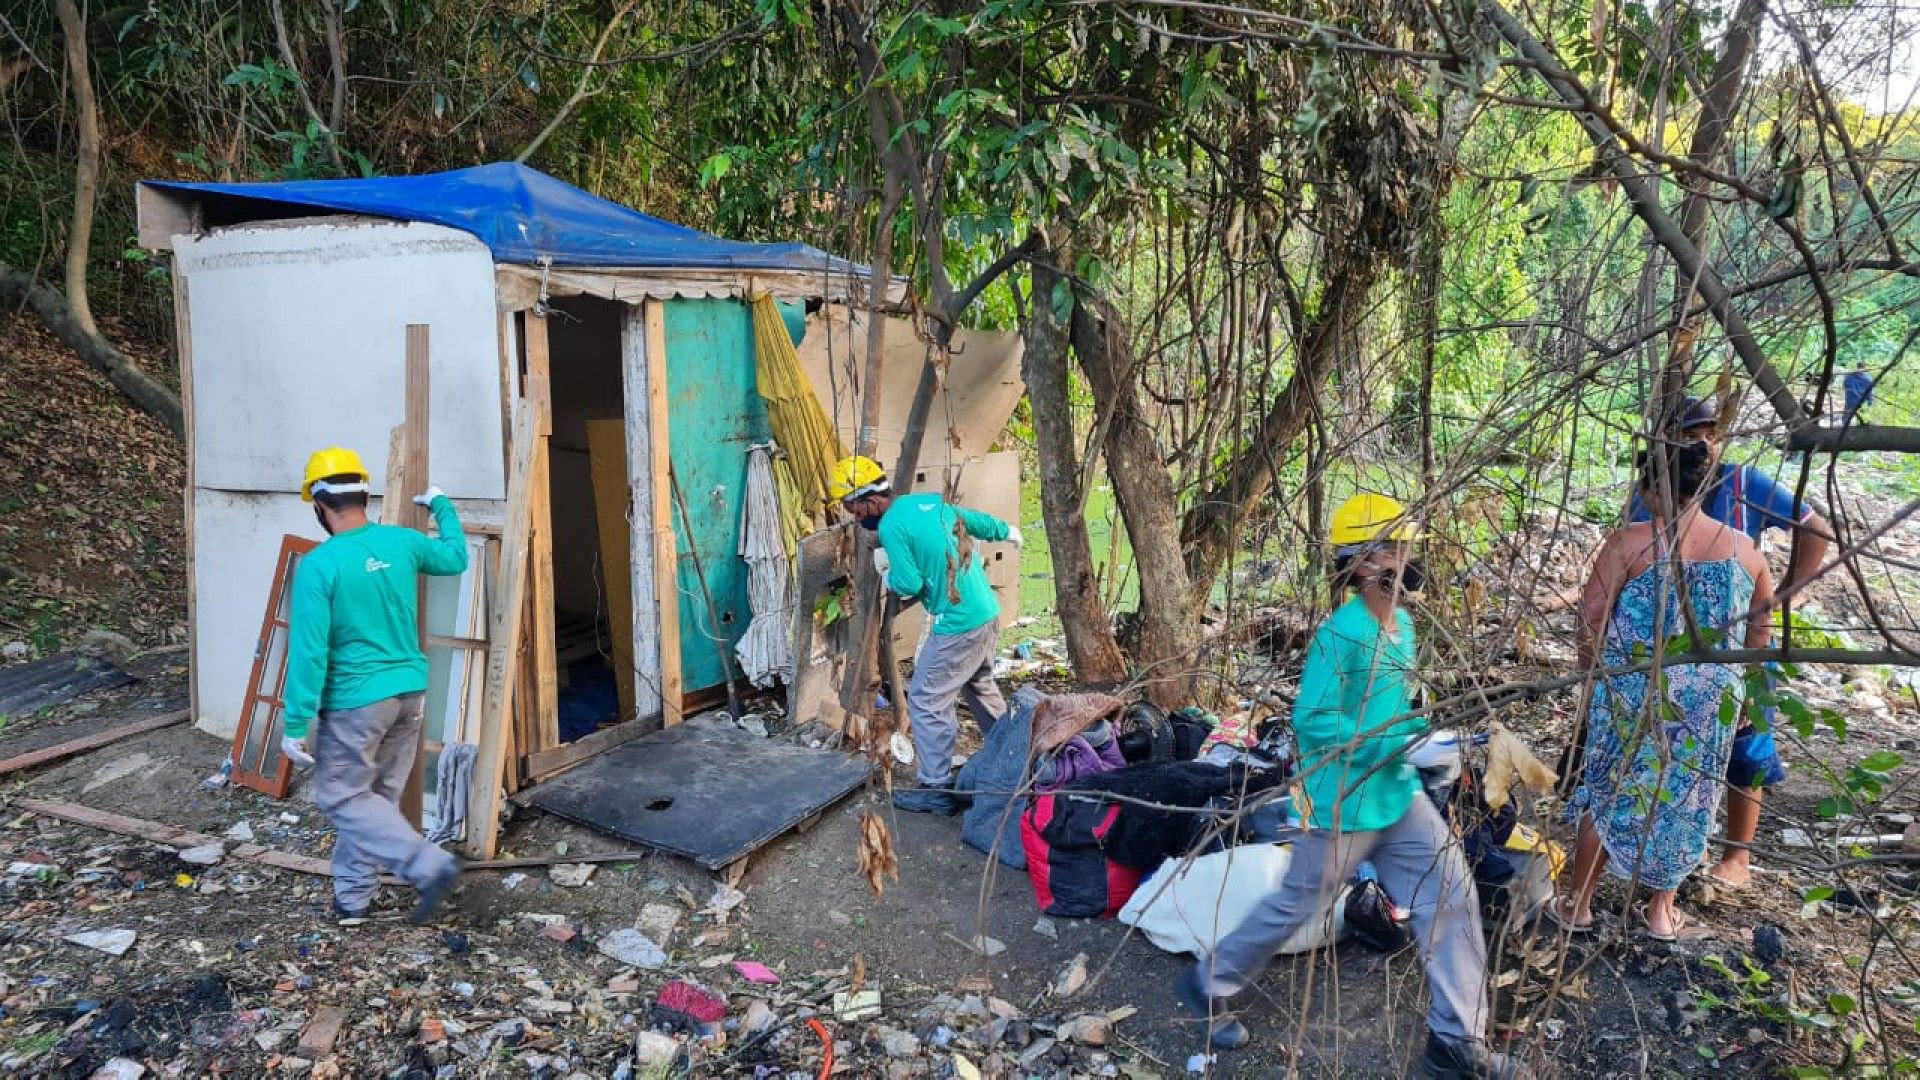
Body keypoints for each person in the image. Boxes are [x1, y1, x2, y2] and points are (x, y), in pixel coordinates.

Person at [1173, 494, 1530, 1080]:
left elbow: (1394, 713)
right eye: (1393, 547)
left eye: (1408, 545)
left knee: (1452, 898)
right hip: (1342, 798)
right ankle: (1208, 981)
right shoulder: (1342, 634)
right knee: (1299, 902)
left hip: (1394, 793)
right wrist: (1397, 743)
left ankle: (1454, 1045)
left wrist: (1441, 742)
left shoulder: (1403, 625)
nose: (1407, 557)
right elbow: (1313, 720)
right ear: (1361, 562)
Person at [1553, 441, 1775, 941]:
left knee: (1610, 787)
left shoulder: (1629, 543)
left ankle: (1580, 905)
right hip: (1709, 699)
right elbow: (1759, 633)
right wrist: (1748, 693)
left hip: (1633, 691)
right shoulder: (1746, 551)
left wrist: (1592, 680)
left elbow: (1591, 619)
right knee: (1689, 795)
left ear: (1654, 489)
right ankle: (1660, 913)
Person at [1626, 395, 1830, 888]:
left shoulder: (1742, 484)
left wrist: (1782, 597)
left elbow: (1815, 529)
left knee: (1747, 741)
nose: (1701, 445)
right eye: (1689, 436)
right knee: (1664, 741)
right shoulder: (1649, 492)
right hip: (1671, 643)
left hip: (1736, 639)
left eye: (1707, 435)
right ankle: (1661, 847)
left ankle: (1736, 856)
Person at [280, 446, 470, 923]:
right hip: (410, 696)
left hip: (356, 704)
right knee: (374, 805)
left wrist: (296, 720)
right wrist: (442, 505)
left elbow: (309, 650)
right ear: (365, 496)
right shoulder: (402, 542)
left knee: (343, 798)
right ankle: (352, 902)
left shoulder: (321, 565)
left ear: (319, 505)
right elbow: (455, 558)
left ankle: (428, 864)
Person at [830, 454, 1020, 816]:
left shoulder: (890, 527)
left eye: (854, 508)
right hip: (985, 611)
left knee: (925, 699)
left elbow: (909, 582)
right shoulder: (925, 502)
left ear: (869, 500)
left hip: (959, 622)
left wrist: (887, 574)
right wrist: (1006, 531)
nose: (855, 517)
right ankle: (1018, 757)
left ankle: (935, 787)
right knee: (978, 686)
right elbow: (972, 522)